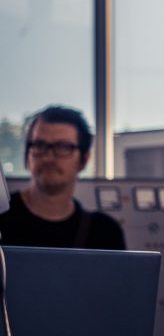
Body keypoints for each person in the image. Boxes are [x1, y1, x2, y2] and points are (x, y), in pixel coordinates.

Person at [0, 104, 125, 250]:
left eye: (63, 147)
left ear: (84, 160)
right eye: (39, 145)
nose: (48, 157)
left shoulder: (105, 233)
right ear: (27, 155)